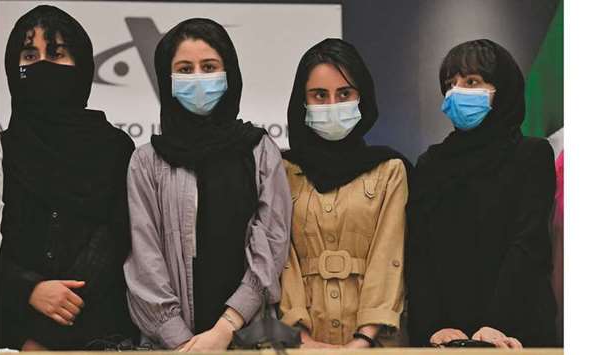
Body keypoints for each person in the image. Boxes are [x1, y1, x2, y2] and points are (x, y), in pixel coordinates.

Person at [123, 18, 292, 352]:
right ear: (166, 79)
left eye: (209, 66)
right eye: (185, 69)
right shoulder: (146, 161)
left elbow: (272, 246)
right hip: (169, 346)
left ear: (229, 74)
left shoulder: (259, 150)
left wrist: (225, 328)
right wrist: (184, 343)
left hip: (248, 339)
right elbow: (144, 260)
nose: (198, 77)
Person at [0, 5, 137, 350]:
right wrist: (27, 291)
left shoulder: (114, 148)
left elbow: (116, 239)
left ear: (82, 67)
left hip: (98, 334)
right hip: (12, 332)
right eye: (30, 55)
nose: (42, 65)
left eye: (57, 55)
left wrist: (52, 328)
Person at [406, 39, 557, 348]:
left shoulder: (531, 155)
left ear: (503, 89)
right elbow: (419, 253)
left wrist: (497, 323)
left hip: (516, 331)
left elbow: (528, 244)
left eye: (472, 81)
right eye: (451, 83)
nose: (458, 91)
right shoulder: (432, 163)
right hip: (447, 338)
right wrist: (435, 325)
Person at [279, 38, 410, 349]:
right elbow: (281, 258)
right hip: (300, 344)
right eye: (319, 95)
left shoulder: (390, 169)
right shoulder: (280, 171)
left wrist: (364, 338)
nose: (332, 105)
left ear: (361, 98)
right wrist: (301, 337)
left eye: (345, 93)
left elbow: (389, 256)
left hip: (376, 342)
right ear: (303, 101)